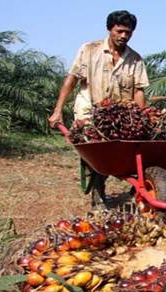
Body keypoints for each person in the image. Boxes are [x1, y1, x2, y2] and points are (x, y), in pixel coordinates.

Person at [48, 10, 150, 210]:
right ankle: (98, 192)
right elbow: (72, 79)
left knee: (129, 147)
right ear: (109, 29)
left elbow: (138, 90)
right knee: (97, 149)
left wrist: (142, 116)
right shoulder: (89, 50)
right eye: (119, 31)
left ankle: (137, 185)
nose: (123, 36)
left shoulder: (135, 59)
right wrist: (58, 110)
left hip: (118, 114)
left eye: (128, 33)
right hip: (90, 108)